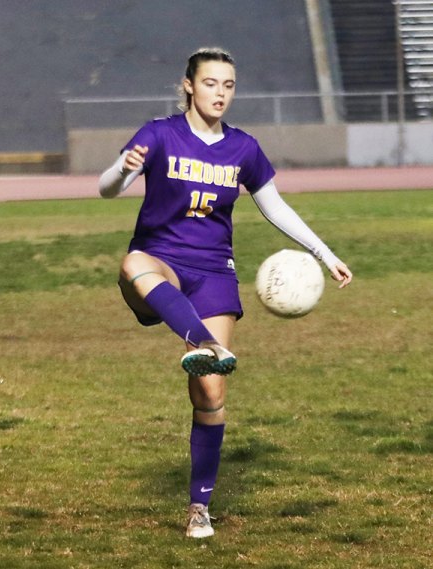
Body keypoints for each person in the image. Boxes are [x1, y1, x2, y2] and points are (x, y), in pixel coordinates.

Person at [99, 47, 352, 539]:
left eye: (228, 85)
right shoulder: (158, 133)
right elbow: (109, 188)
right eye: (211, 83)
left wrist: (324, 253)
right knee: (132, 264)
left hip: (214, 272)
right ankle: (206, 344)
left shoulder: (243, 148)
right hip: (160, 264)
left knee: (211, 391)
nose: (220, 93)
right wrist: (124, 168)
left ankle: (199, 508)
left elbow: (276, 208)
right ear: (189, 86)